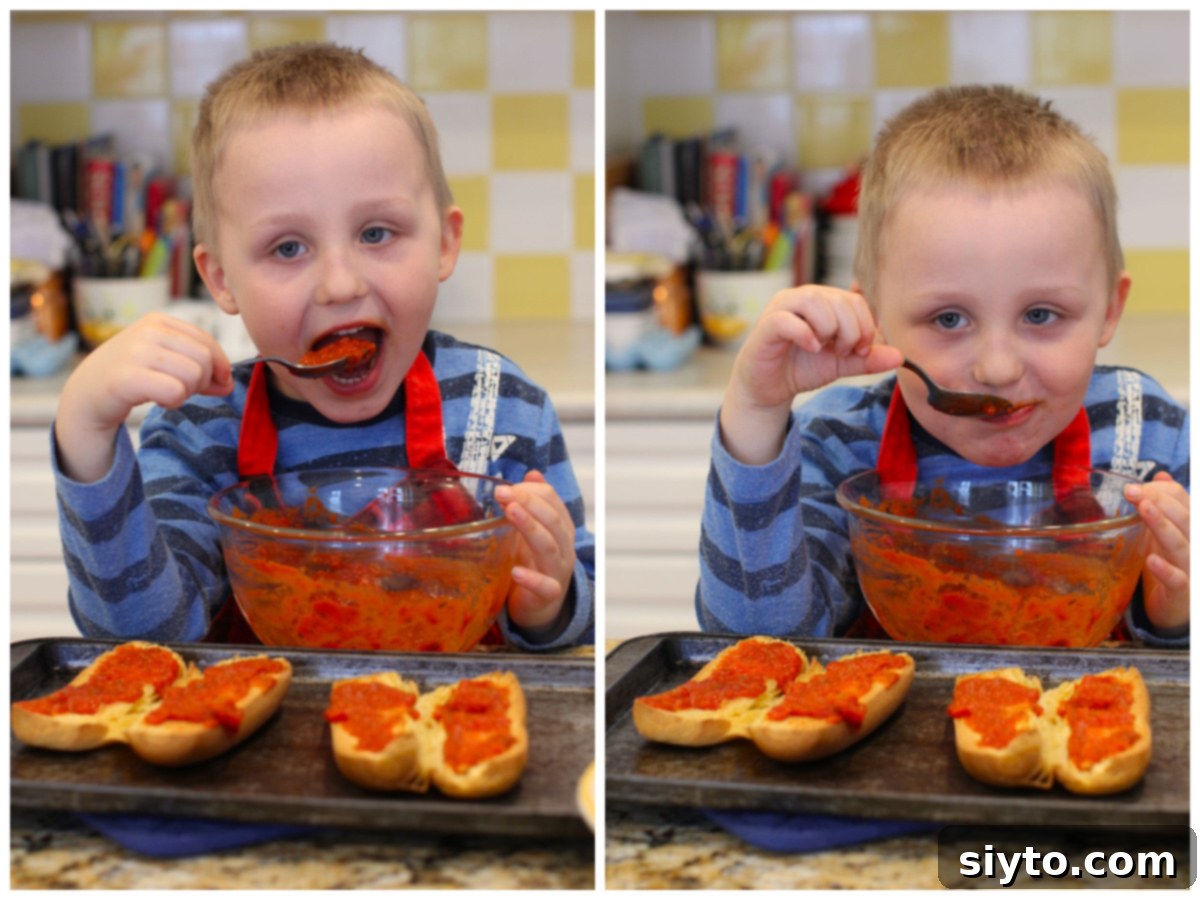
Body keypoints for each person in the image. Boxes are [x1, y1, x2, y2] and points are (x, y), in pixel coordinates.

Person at [52, 43, 592, 650]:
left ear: (444, 241)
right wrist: (86, 435)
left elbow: (581, 596)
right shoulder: (200, 430)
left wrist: (549, 604)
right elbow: (145, 636)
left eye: (376, 233)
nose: (341, 285)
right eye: (288, 248)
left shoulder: (505, 406)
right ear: (222, 279)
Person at [698, 85, 1188, 647]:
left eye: (1041, 313)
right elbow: (757, 645)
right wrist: (756, 414)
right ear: (876, 318)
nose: (998, 370)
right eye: (950, 319)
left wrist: (1175, 615)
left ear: (1109, 311)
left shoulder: (1148, 432)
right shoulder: (840, 440)